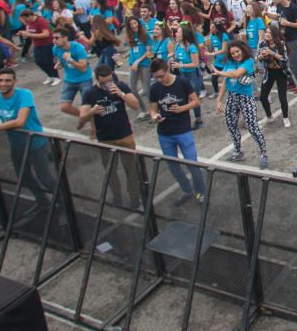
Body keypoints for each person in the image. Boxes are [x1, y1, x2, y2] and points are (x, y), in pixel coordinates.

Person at [0, 68, 57, 213]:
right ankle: (43, 202)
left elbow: (20, 122)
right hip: (17, 145)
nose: (3, 84)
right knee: (25, 177)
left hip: (35, 144)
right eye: (0, 80)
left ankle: (64, 207)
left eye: (8, 80)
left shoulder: (24, 95)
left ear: (15, 82)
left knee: (46, 179)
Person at [78, 64, 142, 209]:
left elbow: (135, 105)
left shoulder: (120, 86)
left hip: (124, 135)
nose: (108, 85)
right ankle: (117, 196)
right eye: (104, 82)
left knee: (131, 168)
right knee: (110, 171)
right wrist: (92, 111)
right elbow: (82, 117)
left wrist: (121, 94)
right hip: (105, 138)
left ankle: (134, 197)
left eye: (110, 81)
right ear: (97, 79)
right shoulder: (90, 93)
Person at [148, 58, 207, 205]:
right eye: (156, 77)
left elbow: (196, 101)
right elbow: (153, 108)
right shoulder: (155, 88)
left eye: (161, 76)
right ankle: (187, 190)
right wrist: (154, 116)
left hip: (183, 131)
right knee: (173, 166)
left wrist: (181, 108)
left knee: (192, 165)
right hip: (164, 132)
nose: (159, 79)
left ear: (167, 69)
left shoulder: (182, 82)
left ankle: (201, 193)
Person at [215, 41, 268, 168]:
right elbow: (226, 81)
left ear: (243, 50)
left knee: (252, 128)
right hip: (232, 97)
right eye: (232, 53)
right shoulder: (230, 62)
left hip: (246, 98)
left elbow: (236, 74)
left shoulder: (248, 61)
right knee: (231, 125)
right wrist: (219, 100)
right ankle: (238, 152)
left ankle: (264, 154)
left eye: (237, 51)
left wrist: (219, 72)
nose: (235, 54)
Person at [268, 0, 297, 93]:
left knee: (294, 63)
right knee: (284, 62)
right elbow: (279, 17)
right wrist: (268, 15)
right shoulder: (279, 6)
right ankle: (291, 83)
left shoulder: (293, 8)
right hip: (282, 38)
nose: (273, 0)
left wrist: (288, 23)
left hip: (292, 39)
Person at [168, 24, 205, 129]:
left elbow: (195, 64)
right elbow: (177, 57)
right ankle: (186, 120)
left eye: (178, 32)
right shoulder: (177, 46)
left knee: (193, 98)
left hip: (193, 75)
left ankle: (198, 119)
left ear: (184, 35)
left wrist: (181, 65)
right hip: (182, 75)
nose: (176, 34)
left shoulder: (191, 47)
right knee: (184, 98)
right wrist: (172, 57)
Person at [53, 27, 93, 118]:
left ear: (65, 38)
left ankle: (93, 126)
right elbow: (60, 59)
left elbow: (84, 68)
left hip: (84, 79)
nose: (54, 40)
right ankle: (85, 117)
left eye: (56, 38)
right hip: (69, 79)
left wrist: (70, 60)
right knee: (64, 107)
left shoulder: (78, 48)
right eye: (53, 38)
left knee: (88, 106)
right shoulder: (55, 49)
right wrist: (59, 64)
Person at [257, 25, 292, 128]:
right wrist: (260, 56)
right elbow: (257, 57)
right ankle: (269, 117)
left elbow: (285, 59)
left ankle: (285, 117)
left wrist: (272, 53)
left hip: (281, 72)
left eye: (269, 32)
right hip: (269, 72)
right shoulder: (263, 43)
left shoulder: (280, 44)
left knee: (282, 97)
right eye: (266, 32)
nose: (267, 34)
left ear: (275, 35)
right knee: (263, 97)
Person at [18, 9, 60, 86]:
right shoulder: (29, 22)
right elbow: (30, 31)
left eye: (26, 18)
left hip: (47, 43)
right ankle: (49, 75)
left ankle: (56, 76)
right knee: (39, 61)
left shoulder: (41, 21)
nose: (25, 21)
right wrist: (23, 33)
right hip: (37, 44)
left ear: (30, 15)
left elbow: (46, 34)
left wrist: (30, 35)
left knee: (48, 61)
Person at [125, 17, 152, 121]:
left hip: (144, 64)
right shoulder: (130, 35)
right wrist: (127, 55)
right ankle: (144, 111)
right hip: (133, 64)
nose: (133, 25)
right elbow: (133, 49)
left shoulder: (145, 35)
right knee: (132, 89)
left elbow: (148, 51)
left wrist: (138, 61)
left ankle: (155, 110)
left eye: (135, 23)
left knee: (146, 89)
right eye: (131, 24)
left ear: (138, 23)